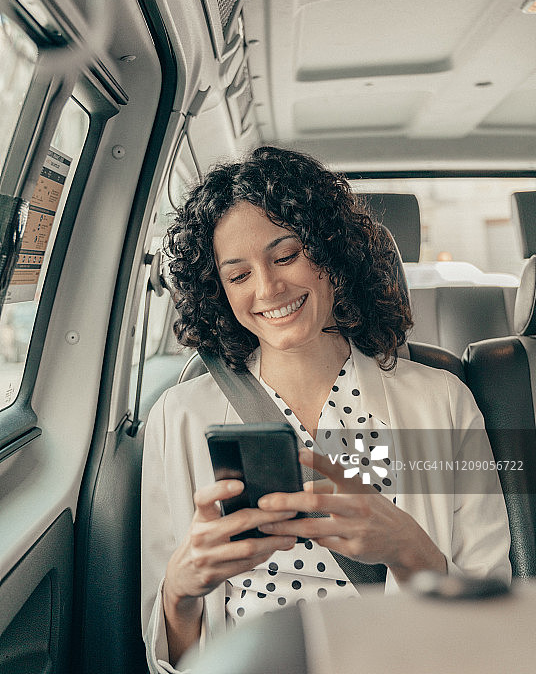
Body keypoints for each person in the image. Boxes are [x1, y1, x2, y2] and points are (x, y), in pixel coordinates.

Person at [141, 146, 511, 674]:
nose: (268, 289)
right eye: (239, 275)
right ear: (219, 291)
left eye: (286, 256)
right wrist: (179, 592)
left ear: (330, 255)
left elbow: (491, 626)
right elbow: (169, 661)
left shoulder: (440, 401)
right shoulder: (179, 417)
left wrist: (409, 549)